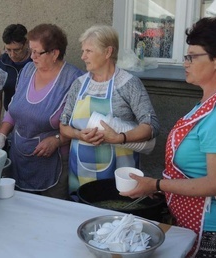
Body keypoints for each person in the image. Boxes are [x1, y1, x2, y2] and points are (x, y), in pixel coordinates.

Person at [120, 17, 216, 258]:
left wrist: (156, 184)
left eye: (192, 56)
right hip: (197, 222)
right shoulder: (214, 100)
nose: (185, 63)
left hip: (215, 231)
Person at [60, 25, 159, 193]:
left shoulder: (128, 84)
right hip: (81, 173)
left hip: (119, 175)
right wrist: (78, 134)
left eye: (89, 51)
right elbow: (63, 126)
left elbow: (152, 126)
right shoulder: (79, 84)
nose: (82, 56)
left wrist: (120, 137)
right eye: (83, 51)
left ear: (107, 52)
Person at [0, 24, 83, 200]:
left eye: (37, 52)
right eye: (30, 51)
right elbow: (14, 108)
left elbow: (81, 126)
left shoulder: (74, 80)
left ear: (54, 53)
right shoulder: (28, 70)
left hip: (54, 163)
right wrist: (1, 135)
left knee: (51, 213)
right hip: (20, 158)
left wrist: (57, 140)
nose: (31, 57)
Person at [0, 24, 32, 111]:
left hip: (34, 114)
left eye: (17, 50)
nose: (12, 55)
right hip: (10, 113)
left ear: (26, 43)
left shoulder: (36, 61)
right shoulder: (1, 62)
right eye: (8, 49)